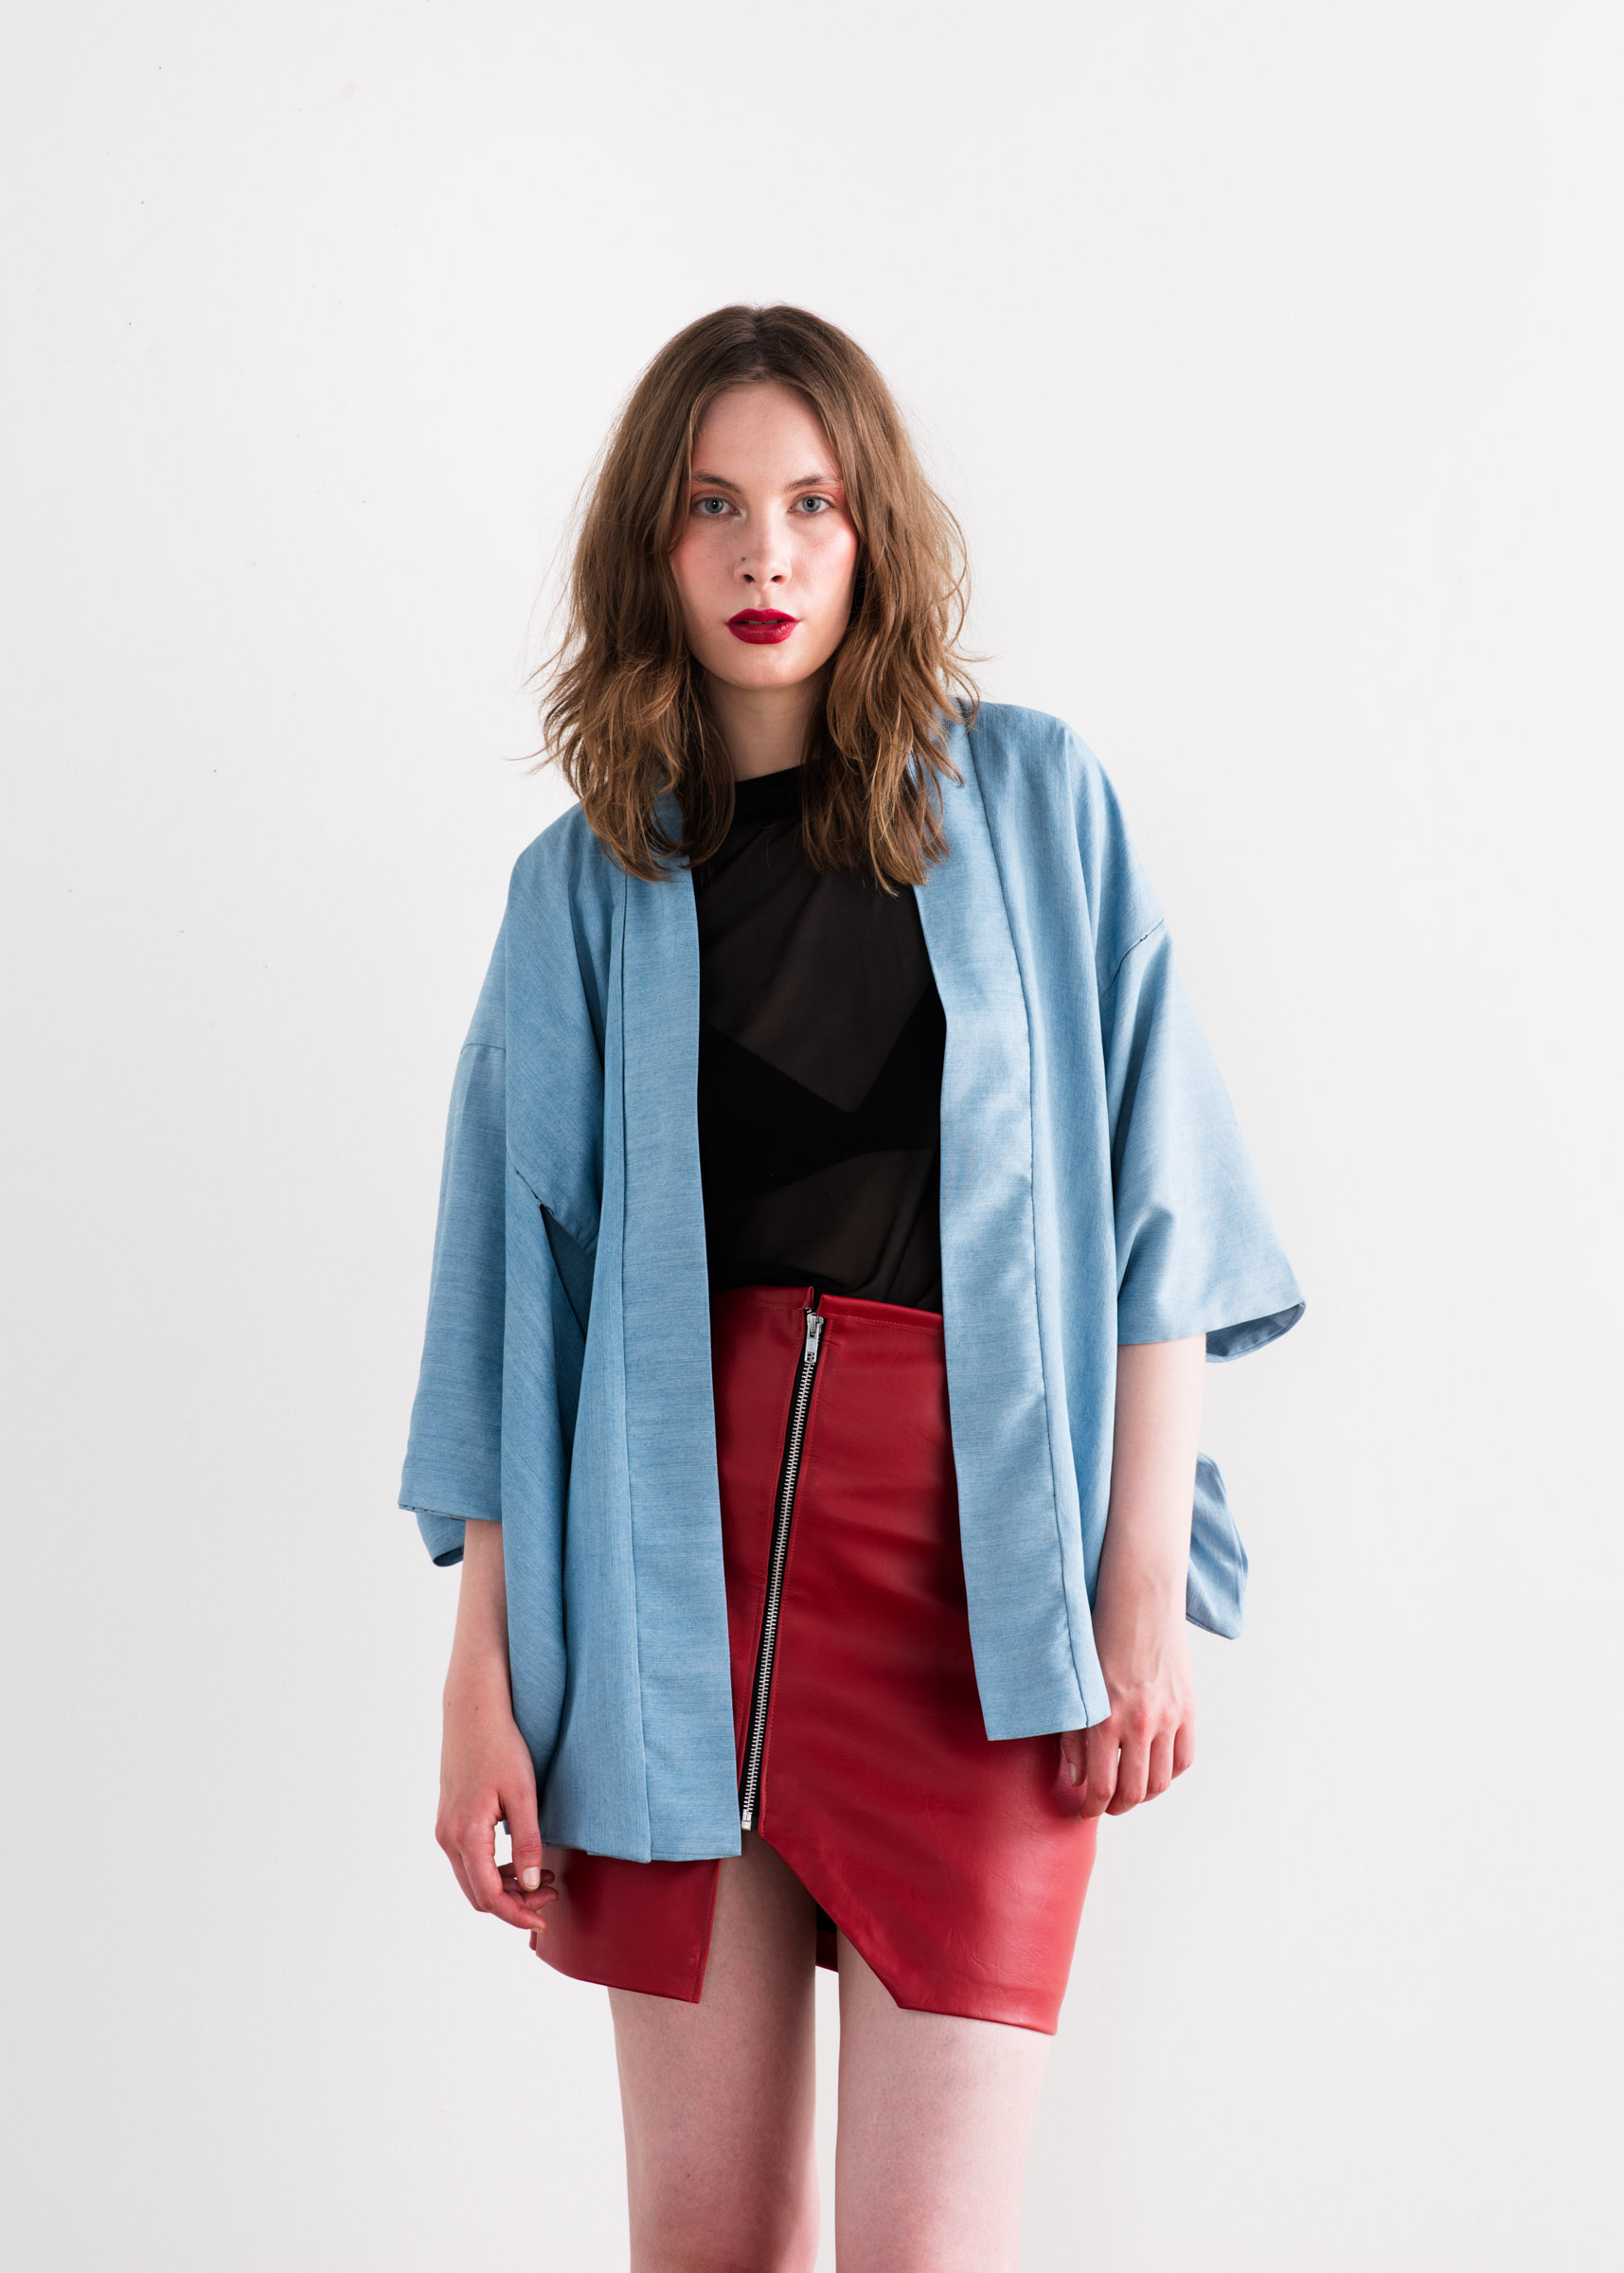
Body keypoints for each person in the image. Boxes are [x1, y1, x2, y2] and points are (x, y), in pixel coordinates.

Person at [402, 303, 1302, 2272]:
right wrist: (482, 1687)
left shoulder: (1037, 805)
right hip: (663, 1615)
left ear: (872, 529)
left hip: (973, 1617)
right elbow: (513, 1307)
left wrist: (1140, 1586)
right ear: (651, 544)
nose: (767, 553)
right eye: (715, 506)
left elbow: (1164, 1213)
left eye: (812, 503)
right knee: (708, 2249)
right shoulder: (577, 891)